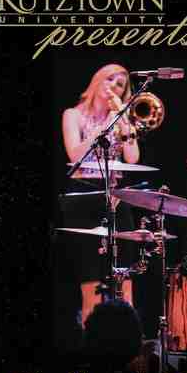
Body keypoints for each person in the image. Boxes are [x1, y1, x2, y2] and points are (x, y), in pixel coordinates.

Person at [58, 63, 140, 336]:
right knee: (91, 280)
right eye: (109, 79)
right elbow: (75, 155)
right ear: (97, 81)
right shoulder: (73, 115)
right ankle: (91, 344)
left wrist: (123, 119)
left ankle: (129, 342)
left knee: (124, 278)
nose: (113, 86)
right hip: (83, 197)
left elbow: (132, 158)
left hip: (114, 196)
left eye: (120, 85)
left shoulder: (119, 118)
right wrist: (102, 129)